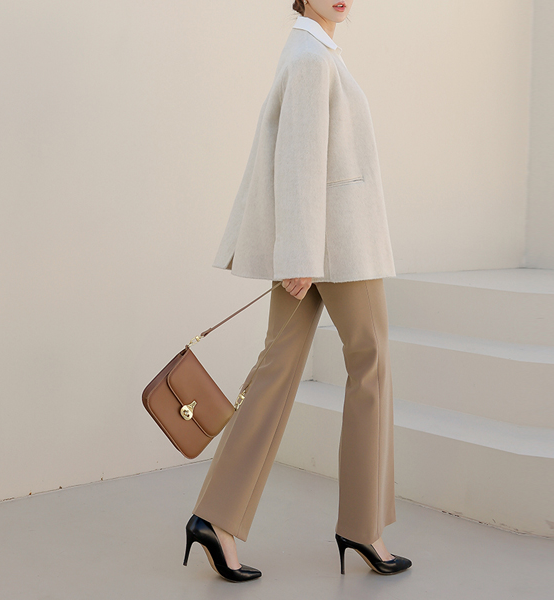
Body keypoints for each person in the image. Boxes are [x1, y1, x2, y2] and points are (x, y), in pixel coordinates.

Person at [182, 0, 412, 582]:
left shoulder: (311, 49)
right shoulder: (312, 58)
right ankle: (363, 526)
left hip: (313, 246)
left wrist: (297, 254)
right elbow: (299, 160)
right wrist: (301, 256)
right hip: (336, 247)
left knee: (276, 368)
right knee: (371, 363)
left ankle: (215, 518)